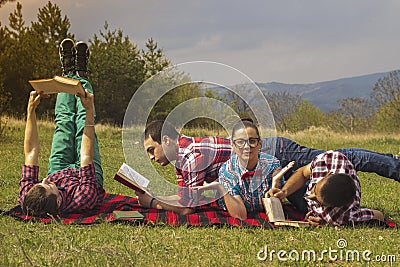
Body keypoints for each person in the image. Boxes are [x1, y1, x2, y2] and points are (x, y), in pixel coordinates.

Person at [139, 119, 400, 214]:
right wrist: (157, 196)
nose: (152, 157)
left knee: (343, 158)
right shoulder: (181, 157)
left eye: (152, 150)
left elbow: (189, 204)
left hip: (273, 152)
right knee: (323, 175)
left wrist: (153, 201)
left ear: (167, 140)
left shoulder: (190, 155)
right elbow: (188, 195)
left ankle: (394, 166)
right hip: (262, 165)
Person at [19, 38, 104, 216]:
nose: (44, 180)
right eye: (48, 185)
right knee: (81, 122)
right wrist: (89, 111)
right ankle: (81, 77)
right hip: (84, 176)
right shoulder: (83, 197)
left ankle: (68, 75)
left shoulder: (29, 196)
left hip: (59, 169)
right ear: (58, 201)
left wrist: (31, 111)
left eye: (40, 183)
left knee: (64, 124)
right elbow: (86, 154)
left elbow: (31, 152)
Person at [192, 119, 284, 220]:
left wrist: (275, 187)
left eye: (252, 141)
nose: (247, 147)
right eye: (240, 142)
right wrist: (221, 188)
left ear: (259, 144)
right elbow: (241, 215)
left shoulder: (272, 165)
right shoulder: (228, 171)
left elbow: (275, 212)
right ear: (233, 145)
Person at [267, 150, 385, 226]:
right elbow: (303, 172)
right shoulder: (326, 160)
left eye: (317, 201)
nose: (310, 196)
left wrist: (324, 220)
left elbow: (379, 215)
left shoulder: (344, 215)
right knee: (282, 183)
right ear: (328, 174)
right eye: (315, 189)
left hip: (324, 212)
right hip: (308, 183)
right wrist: (284, 192)